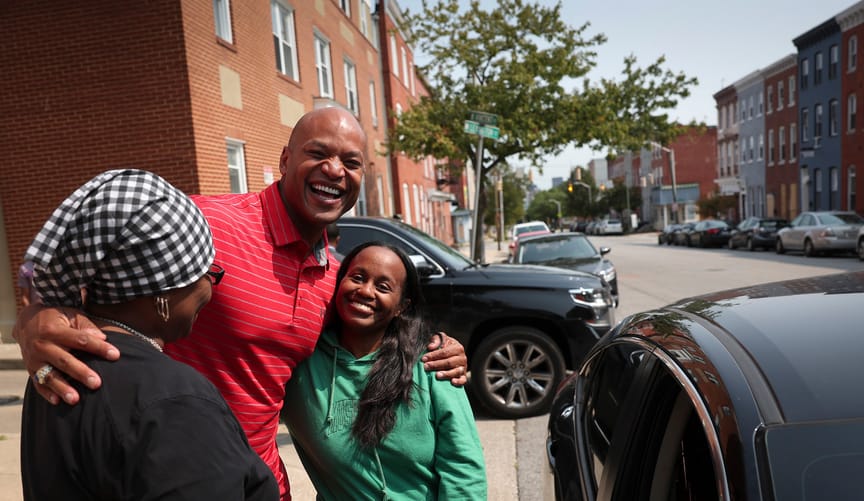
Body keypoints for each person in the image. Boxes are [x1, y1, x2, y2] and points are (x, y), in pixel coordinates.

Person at [13, 107, 467, 500]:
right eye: (318, 153)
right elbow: (89, 248)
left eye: (350, 162)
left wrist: (444, 350)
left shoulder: (335, 278)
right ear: (285, 159)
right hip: (171, 475)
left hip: (259, 481)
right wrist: (35, 318)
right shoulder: (207, 224)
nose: (334, 169)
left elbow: (380, 331)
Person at [20, 169, 277, 500]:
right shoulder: (176, 401)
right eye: (206, 272)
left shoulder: (53, 369)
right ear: (162, 295)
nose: (211, 286)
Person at [282, 242, 487, 500]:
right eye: (357, 278)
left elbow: (463, 467)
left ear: (402, 306)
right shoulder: (301, 364)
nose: (365, 291)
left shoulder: (431, 364)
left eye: (383, 287)